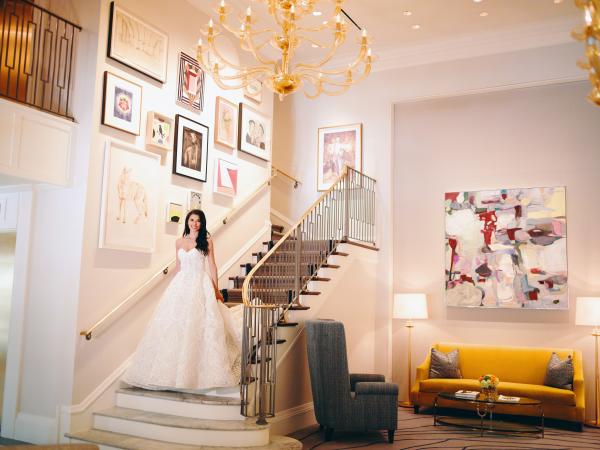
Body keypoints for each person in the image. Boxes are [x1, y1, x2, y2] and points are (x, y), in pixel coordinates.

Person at [123, 210, 243, 391]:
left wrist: (216, 288)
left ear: (202, 224)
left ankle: (196, 372)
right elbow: (178, 267)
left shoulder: (206, 242)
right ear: (187, 222)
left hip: (199, 283)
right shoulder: (179, 242)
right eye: (192, 220)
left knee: (199, 325)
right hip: (181, 284)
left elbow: (212, 265)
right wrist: (173, 290)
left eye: (198, 221)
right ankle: (170, 373)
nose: (195, 223)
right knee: (174, 326)